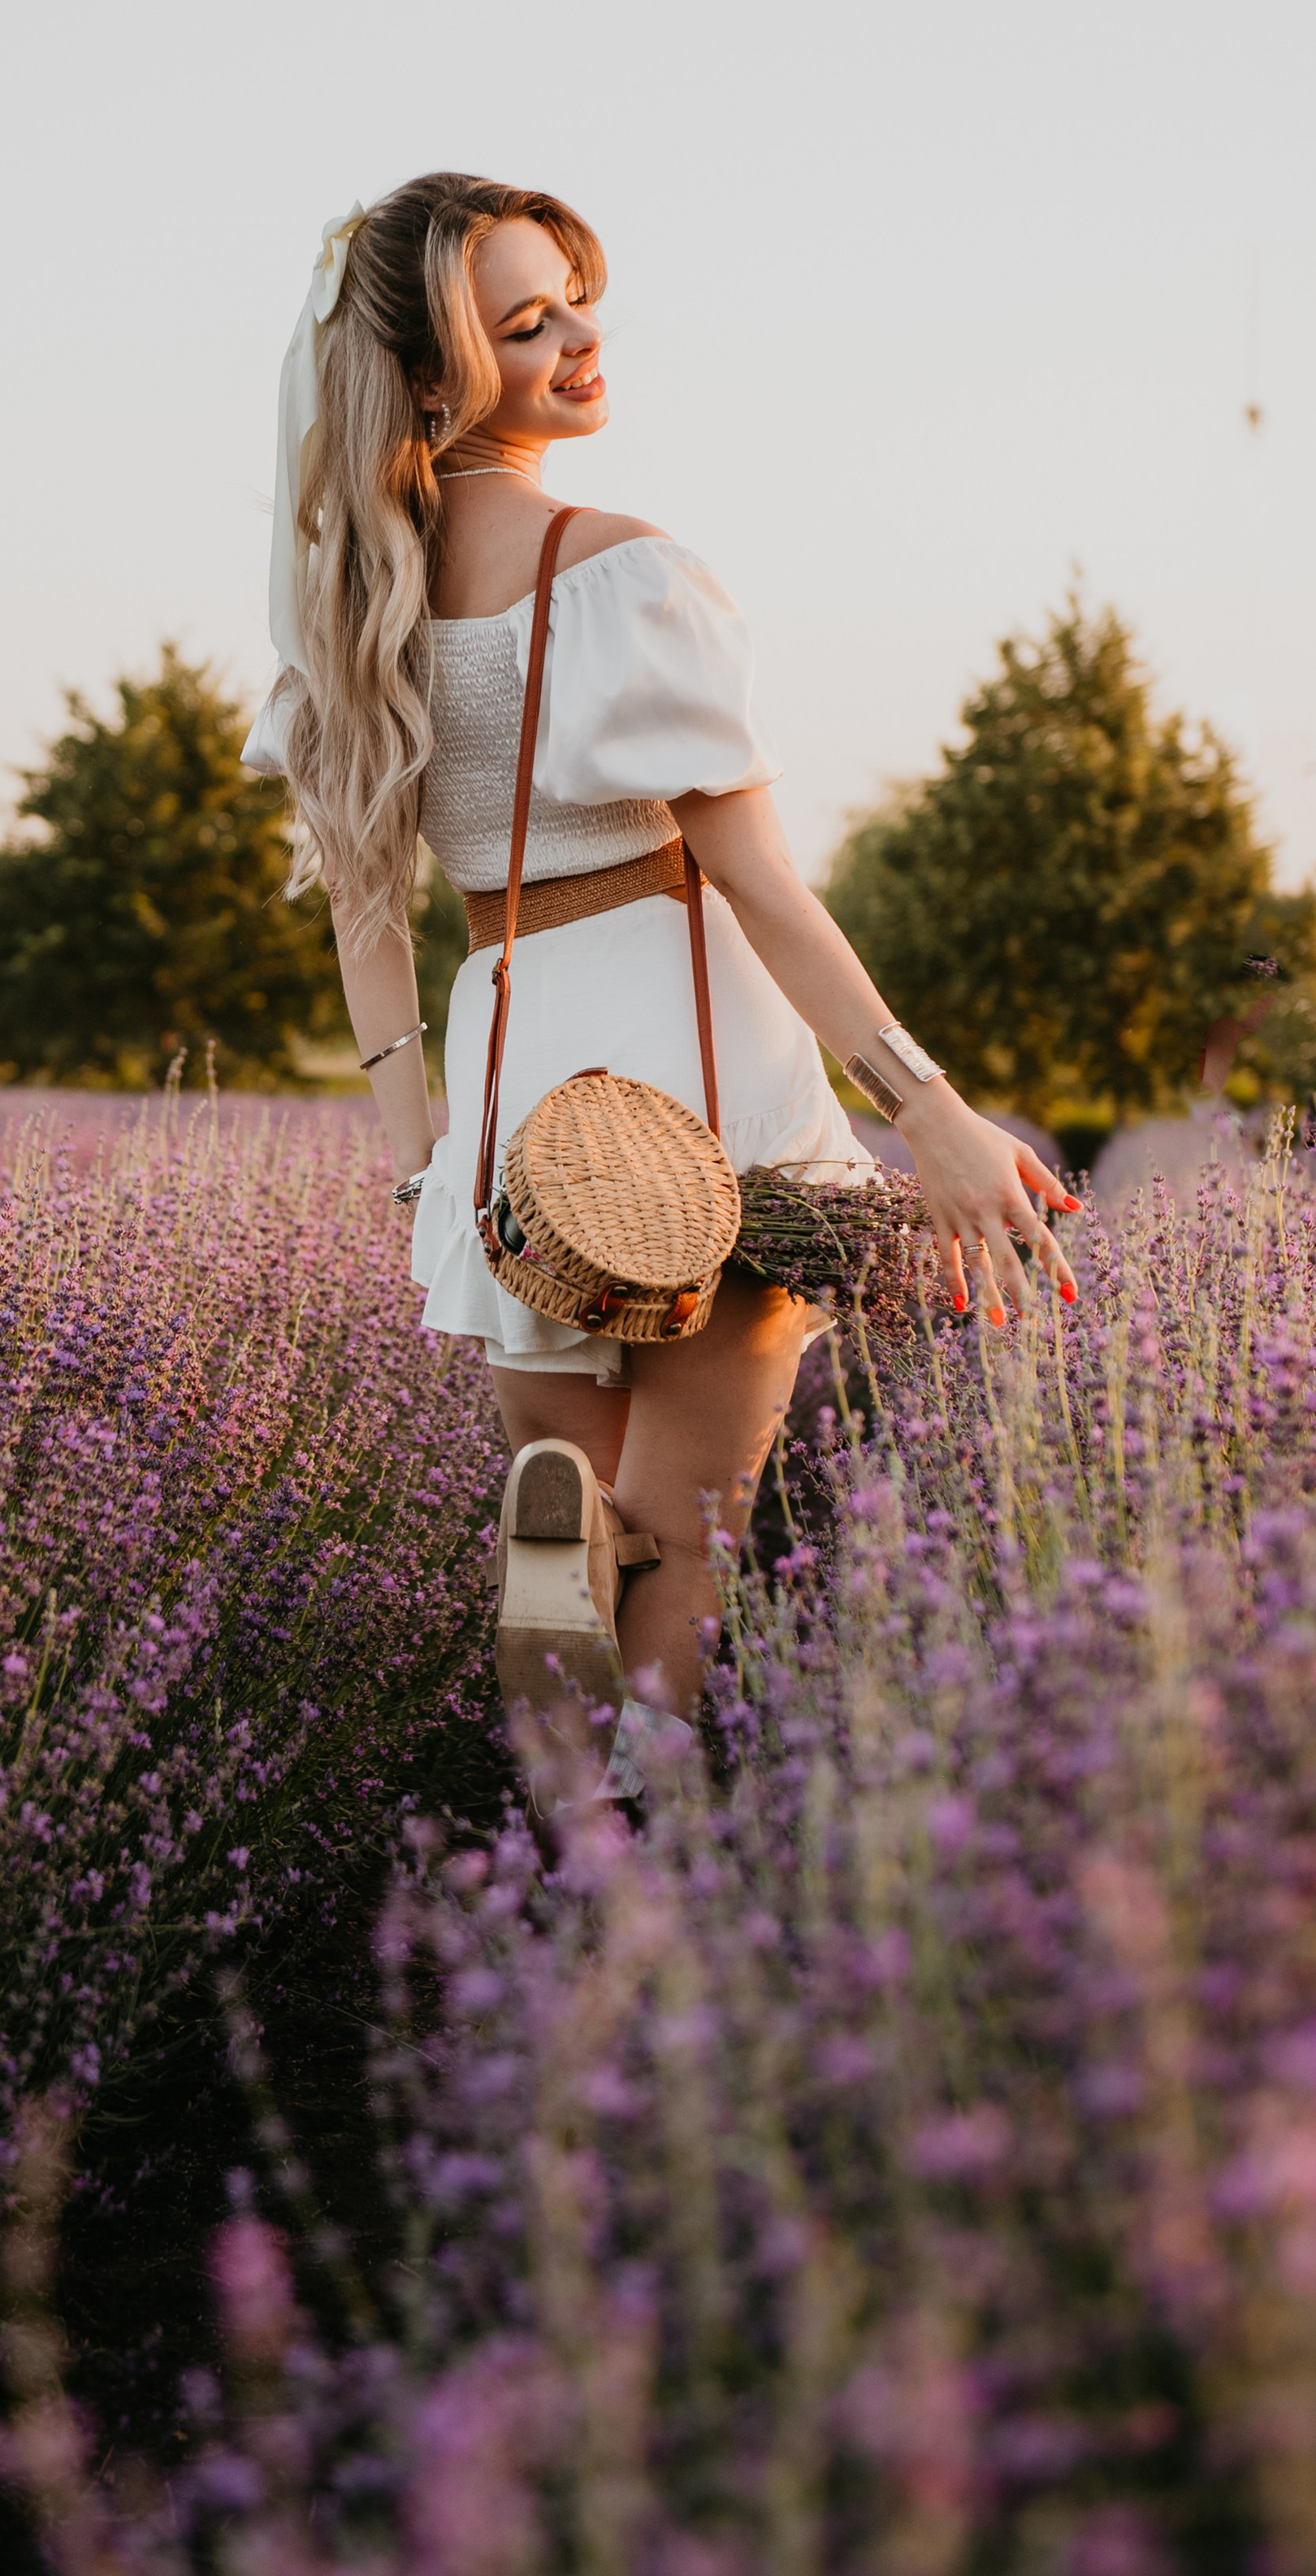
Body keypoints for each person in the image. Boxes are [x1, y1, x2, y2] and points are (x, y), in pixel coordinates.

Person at [245, 174, 1078, 1792]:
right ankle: (636, 1834)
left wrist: (424, 1162)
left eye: (575, 298)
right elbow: (759, 885)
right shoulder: (619, 568)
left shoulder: (350, 615)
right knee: (695, 1528)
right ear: (432, 376)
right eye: (526, 323)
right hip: (695, 1075)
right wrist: (932, 1112)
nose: (580, 337)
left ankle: (566, 1654)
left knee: (583, 1486)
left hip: (512, 1082)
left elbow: (366, 921)